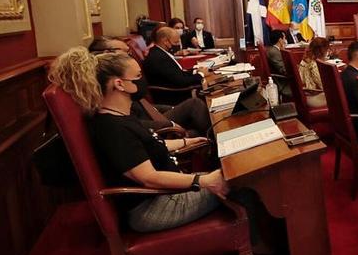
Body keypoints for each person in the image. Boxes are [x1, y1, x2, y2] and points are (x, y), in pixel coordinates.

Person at [48, 47, 226, 232]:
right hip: (155, 207)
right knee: (241, 182)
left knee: (234, 173)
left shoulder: (121, 114)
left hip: (166, 193)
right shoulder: (112, 128)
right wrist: (204, 181)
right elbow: (149, 177)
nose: (143, 80)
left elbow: (142, 148)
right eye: (138, 76)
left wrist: (186, 142)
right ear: (119, 84)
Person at [89, 36, 211, 136]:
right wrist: (170, 125)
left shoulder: (123, 77)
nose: (129, 55)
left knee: (196, 126)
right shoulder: (107, 82)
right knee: (195, 115)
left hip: (151, 114)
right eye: (126, 52)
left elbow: (142, 102)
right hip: (149, 127)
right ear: (107, 53)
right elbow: (128, 122)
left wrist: (169, 109)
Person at [142, 26, 205, 91]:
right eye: (175, 42)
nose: (177, 45)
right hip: (176, 94)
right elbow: (181, 81)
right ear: (165, 41)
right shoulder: (159, 58)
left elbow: (178, 74)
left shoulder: (160, 52)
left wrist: (195, 71)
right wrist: (201, 74)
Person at [299, 37, 330, 109]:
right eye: (327, 50)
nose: (328, 52)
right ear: (322, 51)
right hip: (313, 97)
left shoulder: (305, 60)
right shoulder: (314, 65)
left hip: (305, 94)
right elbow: (323, 86)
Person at [266, 30, 292, 98]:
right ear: (280, 40)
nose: (285, 40)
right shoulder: (274, 52)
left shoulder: (274, 49)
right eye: (284, 38)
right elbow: (284, 71)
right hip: (284, 84)